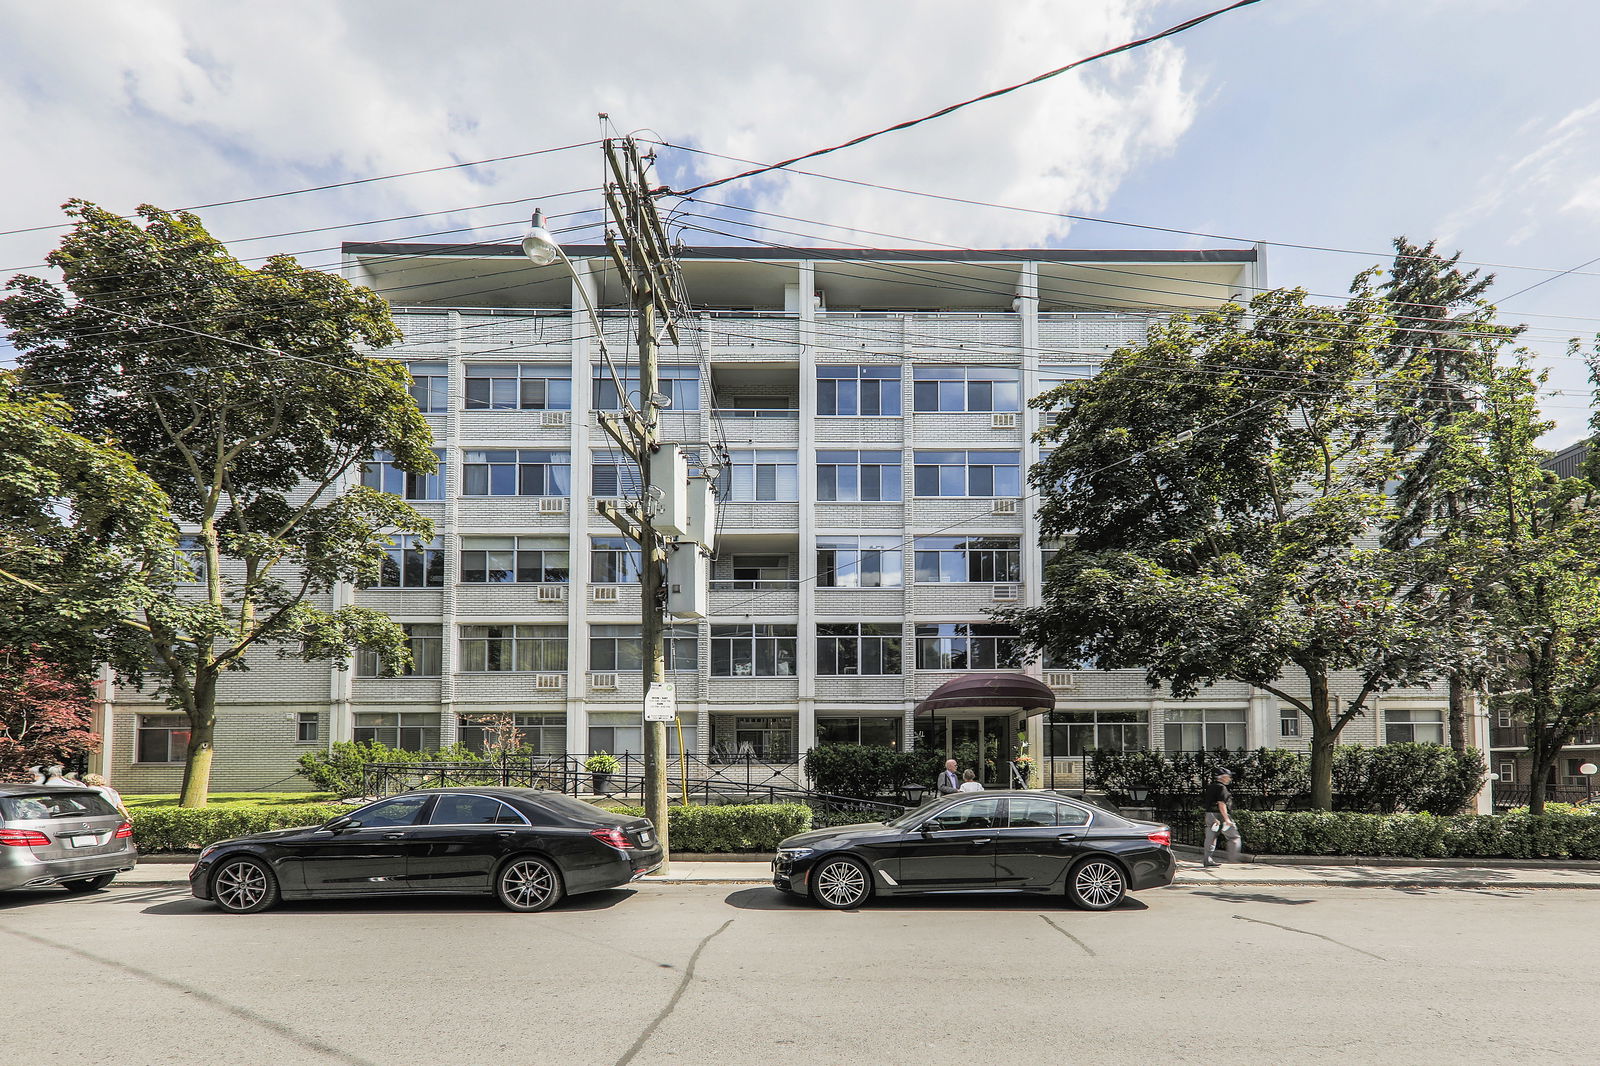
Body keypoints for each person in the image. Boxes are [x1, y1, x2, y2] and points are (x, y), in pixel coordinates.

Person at [1201, 768, 1242, 867]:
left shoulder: (1211, 787)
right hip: (1221, 815)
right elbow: (1221, 804)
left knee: (1211, 837)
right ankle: (1233, 859)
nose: (1230, 779)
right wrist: (1227, 819)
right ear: (1223, 777)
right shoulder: (1222, 788)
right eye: (1228, 777)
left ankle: (1207, 859)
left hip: (1210, 815)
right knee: (1234, 836)